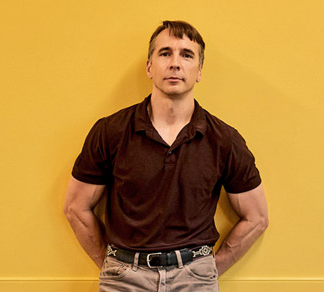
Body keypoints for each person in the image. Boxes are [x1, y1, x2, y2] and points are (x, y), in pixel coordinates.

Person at [64, 20, 269, 292]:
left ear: (199, 71)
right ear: (150, 67)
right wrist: (113, 266)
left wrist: (208, 271)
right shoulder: (110, 131)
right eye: (165, 53)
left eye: (186, 54)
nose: (175, 63)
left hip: (195, 278)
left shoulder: (225, 140)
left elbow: (257, 218)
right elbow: (75, 207)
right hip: (124, 279)